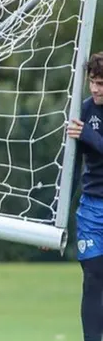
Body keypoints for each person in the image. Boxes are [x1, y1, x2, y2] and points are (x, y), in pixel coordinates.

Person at [67, 51, 103, 341]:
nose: (95, 88)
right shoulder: (84, 110)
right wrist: (54, 217)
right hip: (91, 209)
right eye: (93, 81)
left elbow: (93, 142)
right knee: (92, 278)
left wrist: (91, 137)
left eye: (101, 83)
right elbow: (70, 168)